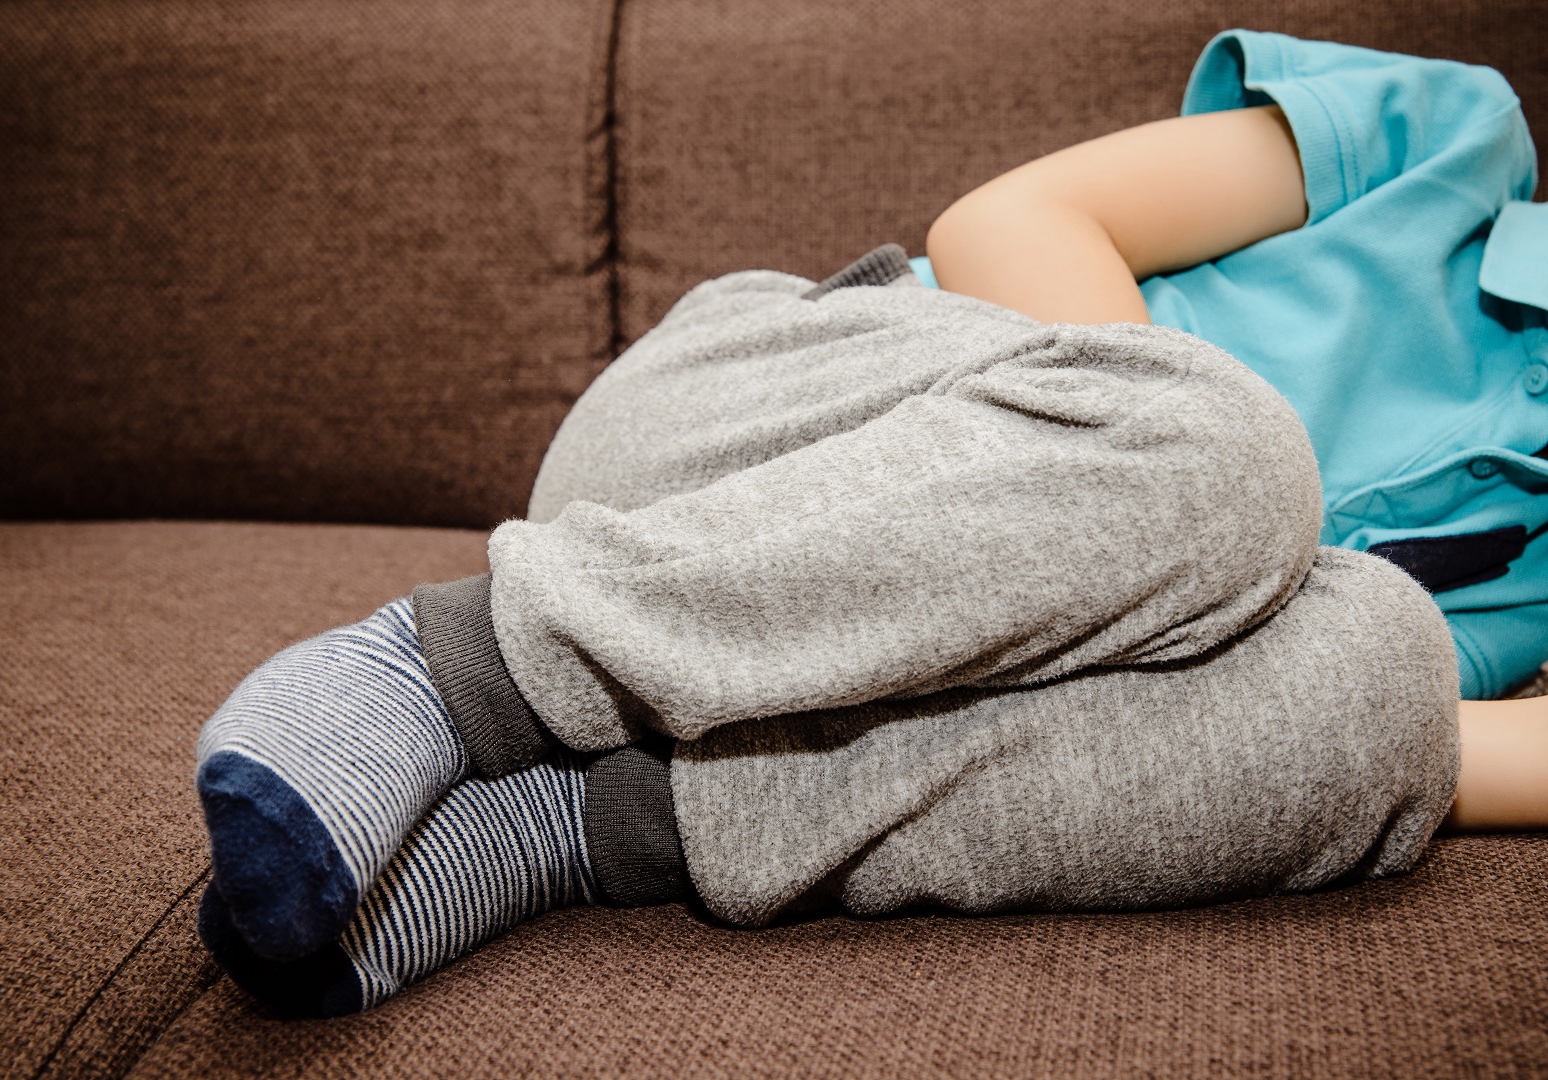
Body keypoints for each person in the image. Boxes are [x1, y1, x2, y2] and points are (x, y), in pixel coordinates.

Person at [192, 30, 1548, 1017]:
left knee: (1383, 679)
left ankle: (577, 829)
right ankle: (455, 670)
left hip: (848, 700)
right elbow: (1017, 216)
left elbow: (1421, 747)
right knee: (1239, 457)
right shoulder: (1450, 138)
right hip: (755, 440)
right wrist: (1176, 533)